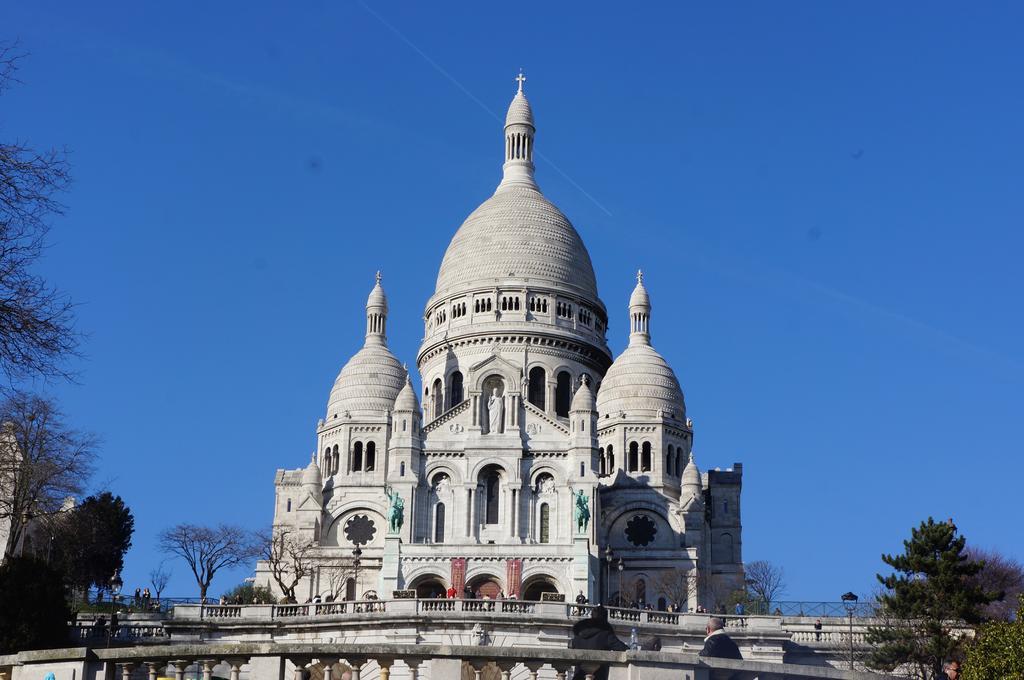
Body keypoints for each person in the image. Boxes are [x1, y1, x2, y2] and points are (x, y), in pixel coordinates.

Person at [568, 605, 628, 680]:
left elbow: (571, 647)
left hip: (578, 676)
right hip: (598, 676)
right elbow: (622, 648)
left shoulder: (578, 634)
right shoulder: (605, 634)